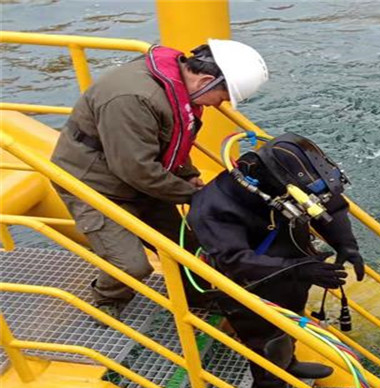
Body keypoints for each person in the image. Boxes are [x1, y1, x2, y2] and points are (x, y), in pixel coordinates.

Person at [51, 39, 268, 318]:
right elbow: (135, 169)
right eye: (222, 98)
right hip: (93, 184)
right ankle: (107, 299)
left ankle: (197, 300)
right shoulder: (133, 99)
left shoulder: (176, 89)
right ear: (205, 80)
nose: (220, 105)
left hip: (139, 178)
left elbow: (171, 139)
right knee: (131, 266)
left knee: (190, 250)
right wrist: (195, 196)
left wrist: (188, 176)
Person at [187, 132, 365, 388]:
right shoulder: (212, 208)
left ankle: (289, 361)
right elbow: (234, 260)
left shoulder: (284, 185)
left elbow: (328, 204)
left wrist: (346, 244)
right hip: (251, 283)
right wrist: (299, 269)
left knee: (292, 318)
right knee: (264, 336)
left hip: (289, 269)